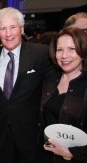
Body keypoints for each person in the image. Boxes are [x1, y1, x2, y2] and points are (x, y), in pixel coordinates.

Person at [0, 7, 54, 163]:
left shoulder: (41, 54)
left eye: (13, 27)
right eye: (3, 28)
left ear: (22, 29)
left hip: (31, 133)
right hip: (2, 132)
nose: (8, 33)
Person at [39, 27, 87, 163]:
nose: (64, 55)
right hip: (45, 156)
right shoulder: (50, 78)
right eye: (60, 50)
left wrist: (73, 152)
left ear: (82, 51)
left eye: (72, 49)